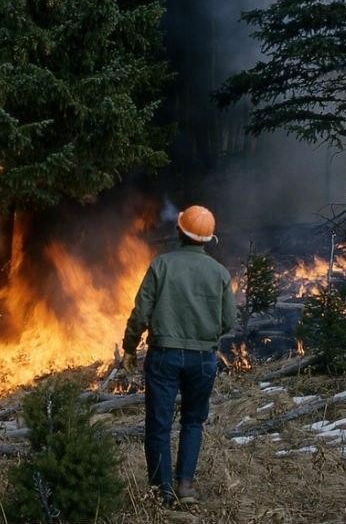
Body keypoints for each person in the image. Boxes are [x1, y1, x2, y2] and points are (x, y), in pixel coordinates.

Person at [121, 204, 235, 506]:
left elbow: (141, 313)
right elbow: (229, 322)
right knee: (193, 422)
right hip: (203, 360)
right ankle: (185, 486)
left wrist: (129, 348)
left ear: (178, 231)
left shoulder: (161, 265)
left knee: (159, 424)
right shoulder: (220, 273)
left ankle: (162, 491)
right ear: (209, 239)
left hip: (164, 356)